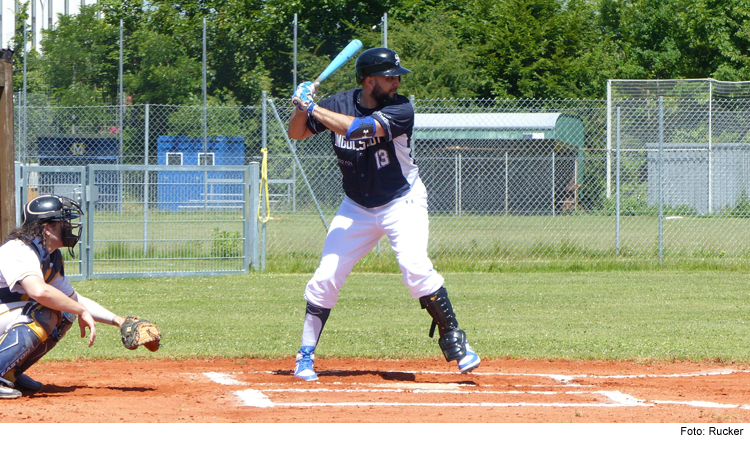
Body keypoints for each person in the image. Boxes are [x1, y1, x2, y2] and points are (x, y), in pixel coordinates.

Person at [287, 47, 480, 381]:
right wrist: (301, 106)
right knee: (325, 277)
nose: (395, 82)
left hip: (401, 201)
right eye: (389, 76)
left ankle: (454, 338)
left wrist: (313, 106)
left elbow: (358, 130)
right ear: (368, 80)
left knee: (414, 266)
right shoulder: (338, 103)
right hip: (356, 207)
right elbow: (297, 132)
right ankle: (305, 355)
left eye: (396, 77)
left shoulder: (401, 108)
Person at [0, 195, 159, 399]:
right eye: (63, 222)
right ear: (47, 227)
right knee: (45, 312)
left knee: (65, 313)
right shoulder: (19, 248)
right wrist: (80, 310)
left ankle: (11, 371)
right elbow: (40, 292)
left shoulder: (48, 256)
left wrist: (119, 321)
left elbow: (73, 300)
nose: (69, 227)